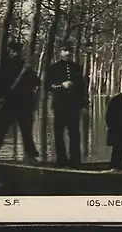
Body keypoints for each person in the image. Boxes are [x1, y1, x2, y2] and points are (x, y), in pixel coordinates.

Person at [0, 41, 40, 163]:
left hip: (22, 103)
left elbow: (36, 82)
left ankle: (31, 155)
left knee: (26, 130)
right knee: (1, 128)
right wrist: (2, 97)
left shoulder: (25, 67)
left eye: (17, 51)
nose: (16, 53)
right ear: (10, 52)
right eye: (14, 51)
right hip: (9, 103)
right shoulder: (4, 67)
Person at [46, 40, 89, 168]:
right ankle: (61, 160)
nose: (68, 53)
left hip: (74, 106)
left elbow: (82, 87)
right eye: (65, 50)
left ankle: (75, 161)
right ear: (60, 52)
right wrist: (61, 86)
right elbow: (48, 86)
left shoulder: (77, 68)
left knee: (75, 134)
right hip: (60, 105)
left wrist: (84, 104)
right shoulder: (53, 68)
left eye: (69, 50)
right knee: (59, 134)